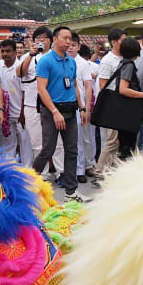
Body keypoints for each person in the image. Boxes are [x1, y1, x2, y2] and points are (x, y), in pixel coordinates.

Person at [31, 26, 89, 202]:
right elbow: (41, 89)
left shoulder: (71, 62)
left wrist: (82, 108)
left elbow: (74, 86)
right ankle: (27, 183)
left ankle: (71, 192)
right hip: (51, 110)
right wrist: (55, 112)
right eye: (65, 38)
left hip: (70, 110)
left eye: (70, 38)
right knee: (48, 149)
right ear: (55, 39)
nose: (68, 42)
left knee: (72, 150)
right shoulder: (45, 61)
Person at [18, 27, 63, 175]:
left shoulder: (57, 56)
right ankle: (41, 174)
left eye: (44, 37)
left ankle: (60, 172)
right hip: (32, 105)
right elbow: (20, 73)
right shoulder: (28, 57)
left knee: (57, 143)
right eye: (38, 37)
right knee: (37, 142)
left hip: (52, 105)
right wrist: (31, 55)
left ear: (52, 40)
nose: (41, 40)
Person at [94, 28, 126, 174]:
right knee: (112, 141)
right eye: (123, 40)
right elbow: (103, 86)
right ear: (114, 42)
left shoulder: (124, 58)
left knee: (118, 141)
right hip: (112, 105)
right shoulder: (108, 61)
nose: (125, 43)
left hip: (121, 105)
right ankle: (100, 172)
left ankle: (111, 170)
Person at [0, 39, 33, 164]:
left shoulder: (21, 67)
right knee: (7, 145)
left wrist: (22, 114)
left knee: (25, 144)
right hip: (4, 114)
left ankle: (27, 172)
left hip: (20, 113)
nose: (5, 54)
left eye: (8, 51)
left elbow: (24, 92)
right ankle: (8, 172)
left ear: (15, 52)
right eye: (3, 51)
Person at [113, 37, 143, 159]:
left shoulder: (122, 63)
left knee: (124, 146)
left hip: (122, 112)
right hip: (127, 113)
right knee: (128, 148)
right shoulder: (128, 65)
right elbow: (123, 89)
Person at [68, 33, 94, 183]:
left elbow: (88, 87)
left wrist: (87, 108)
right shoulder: (61, 61)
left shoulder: (83, 64)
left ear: (78, 47)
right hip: (64, 104)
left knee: (79, 139)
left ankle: (80, 169)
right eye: (68, 44)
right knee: (67, 141)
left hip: (80, 106)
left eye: (73, 45)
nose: (70, 47)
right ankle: (67, 170)